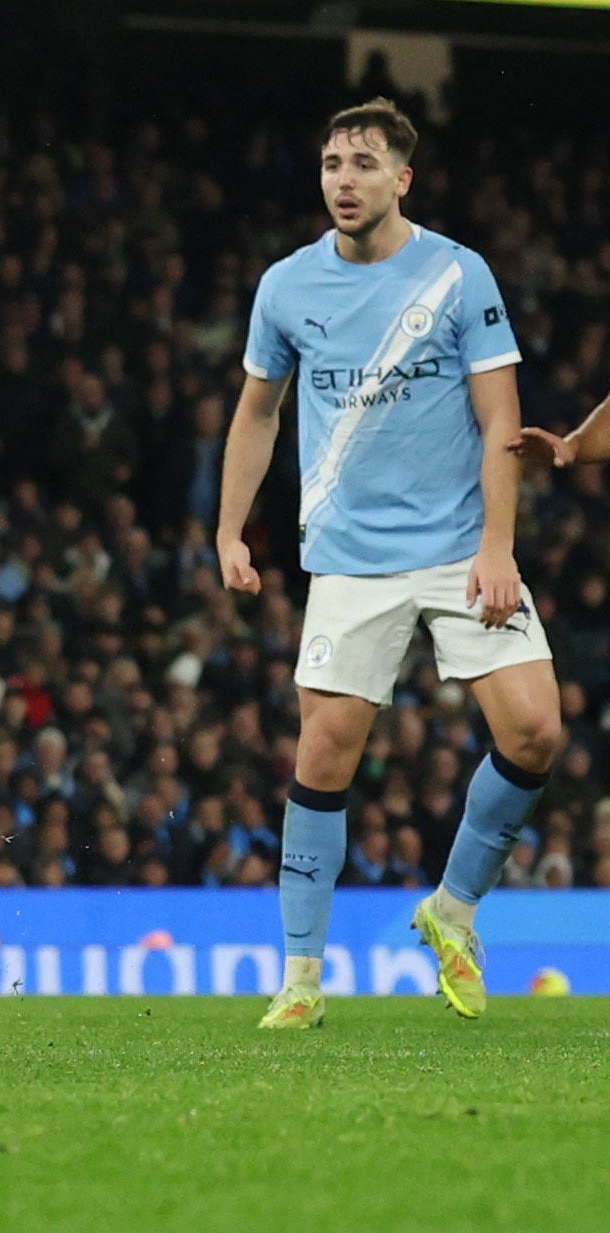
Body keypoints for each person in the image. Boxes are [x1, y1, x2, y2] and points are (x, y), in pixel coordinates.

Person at [219, 98, 562, 1029]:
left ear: (402, 179)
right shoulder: (287, 286)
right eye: (333, 163)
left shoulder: (457, 273)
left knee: (535, 730)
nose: (344, 179)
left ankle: (453, 908)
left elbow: (501, 416)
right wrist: (230, 530)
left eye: (364, 163)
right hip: (350, 557)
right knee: (325, 751)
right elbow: (257, 412)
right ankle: (300, 978)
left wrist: (499, 544)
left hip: (459, 544)